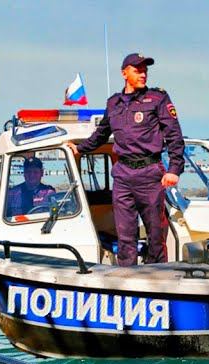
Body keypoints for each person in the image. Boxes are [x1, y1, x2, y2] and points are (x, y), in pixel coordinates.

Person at [71, 52, 184, 266]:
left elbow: (174, 135)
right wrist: (80, 148)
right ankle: (127, 279)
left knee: (156, 234)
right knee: (125, 235)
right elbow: (101, 134)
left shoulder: (158, 99)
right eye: (137, 69)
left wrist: (174, 169)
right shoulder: (114, 103)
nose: (143, 74)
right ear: (125, 73)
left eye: (145, 70)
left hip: (150, 173)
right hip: (122, 175)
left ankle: (157, 276)